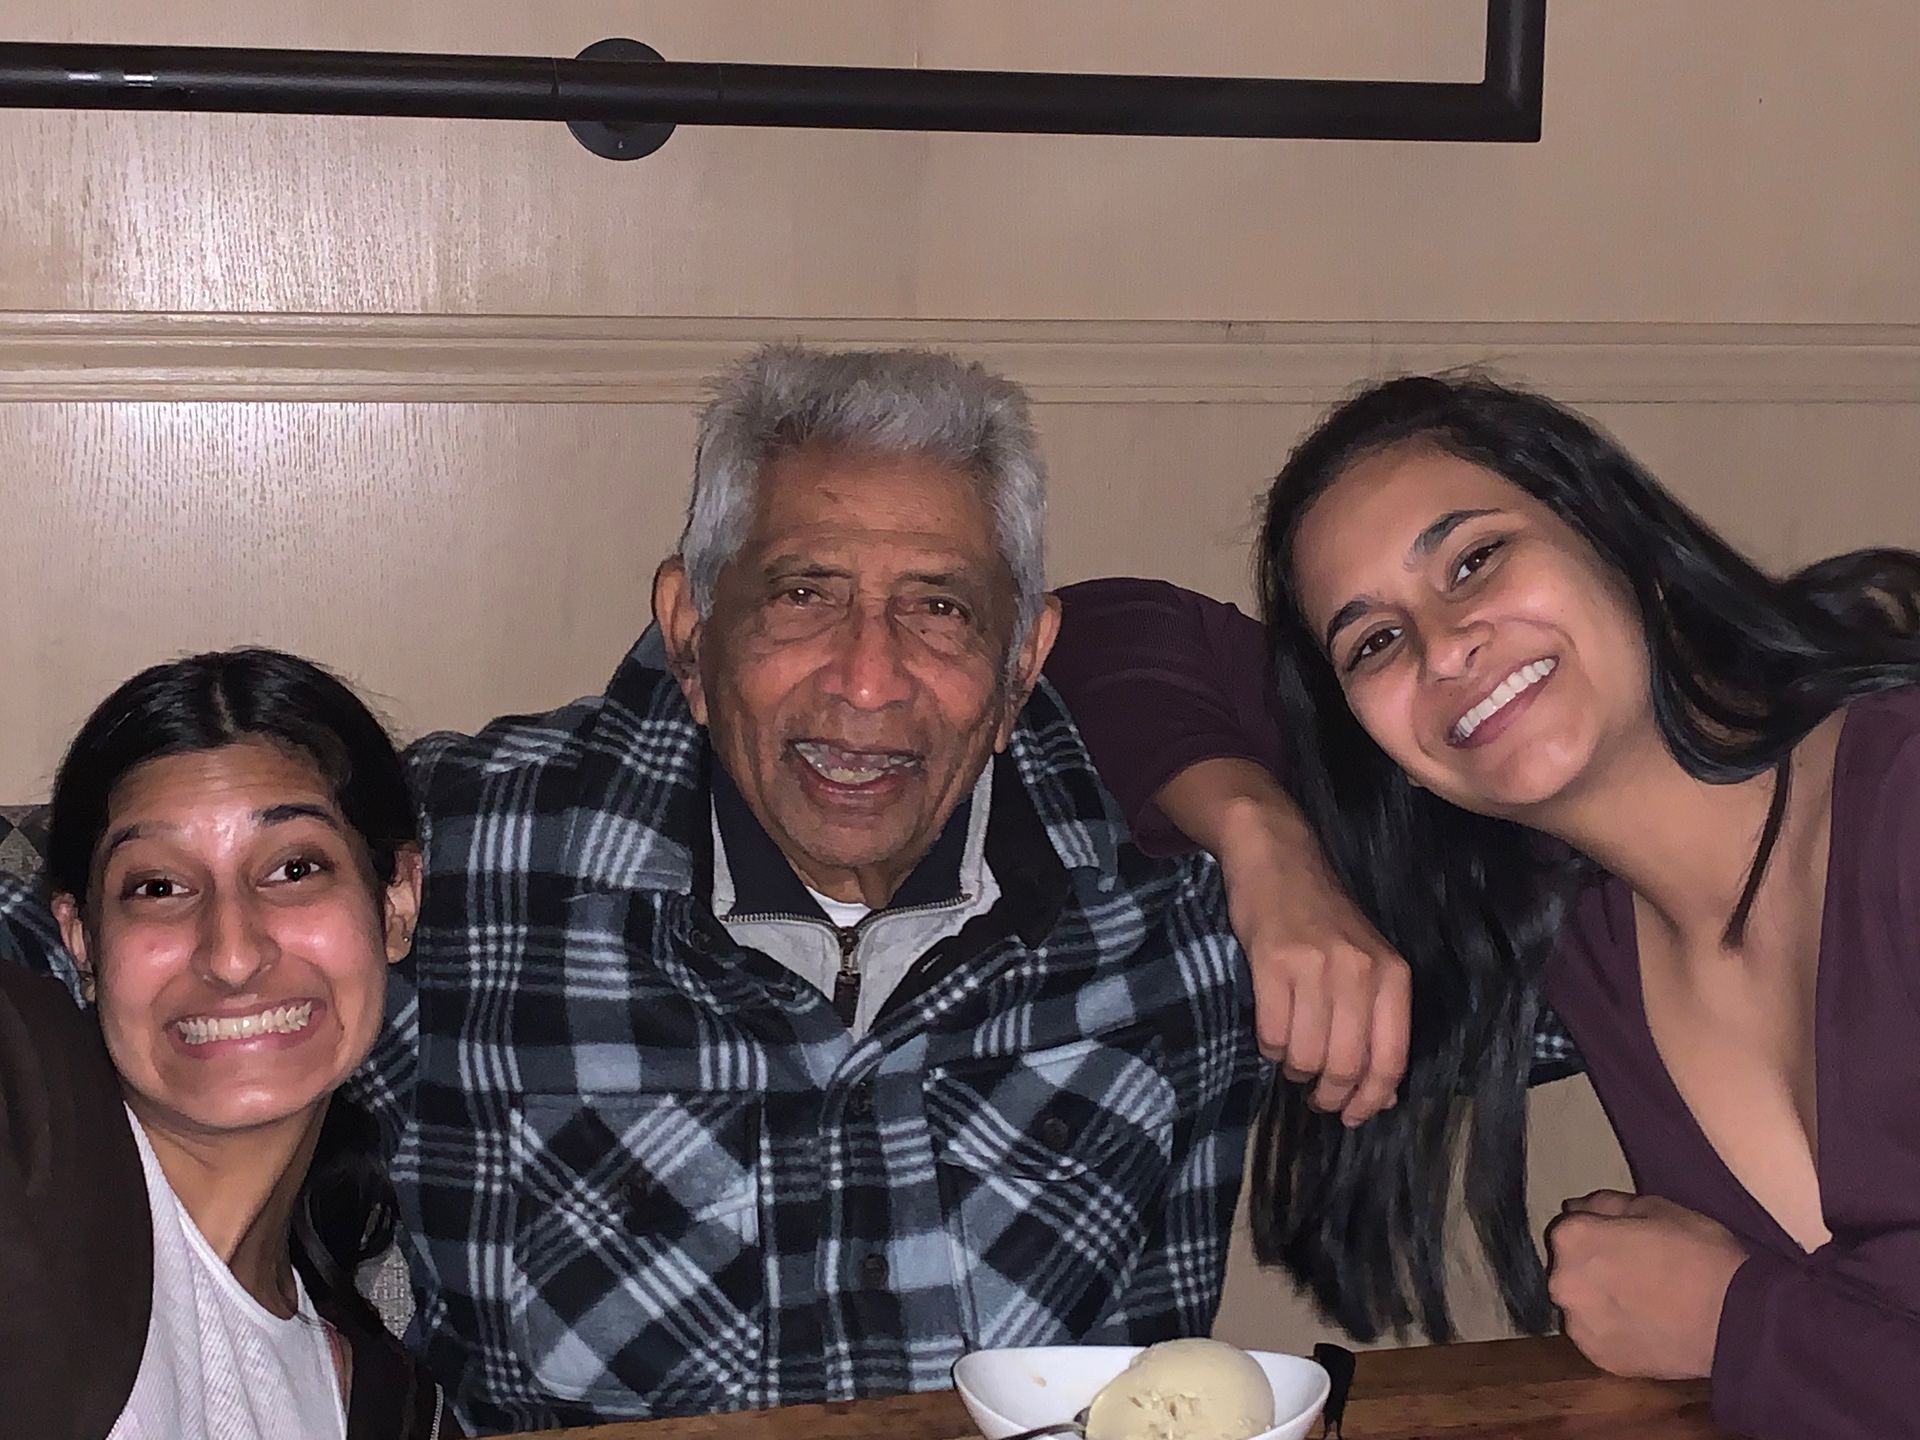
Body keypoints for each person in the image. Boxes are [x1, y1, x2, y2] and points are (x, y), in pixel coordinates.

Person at [339, 345, 1265, 1431]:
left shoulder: (1173, 897)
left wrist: (1274, 843)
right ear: (691, 636)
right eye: (802, 595)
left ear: (1021, 665)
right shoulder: (464, 865)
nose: (868, 680)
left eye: (940, 608)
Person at [1045, 374, 1920, 1440]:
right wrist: (1265, 847)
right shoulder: (1584, 937)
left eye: (1474, 560)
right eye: (1373, 642)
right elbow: (1102, 630)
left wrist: (1734, 1325)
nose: (1444, 646)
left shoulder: (1898, 802)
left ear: (1623, 542)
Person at [0, 649, 454, 1440]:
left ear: (396, 903)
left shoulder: (390, 1405)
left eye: (294, 869)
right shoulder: (27, 1117)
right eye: (158, 887)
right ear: (82, 942)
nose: (234, 954)